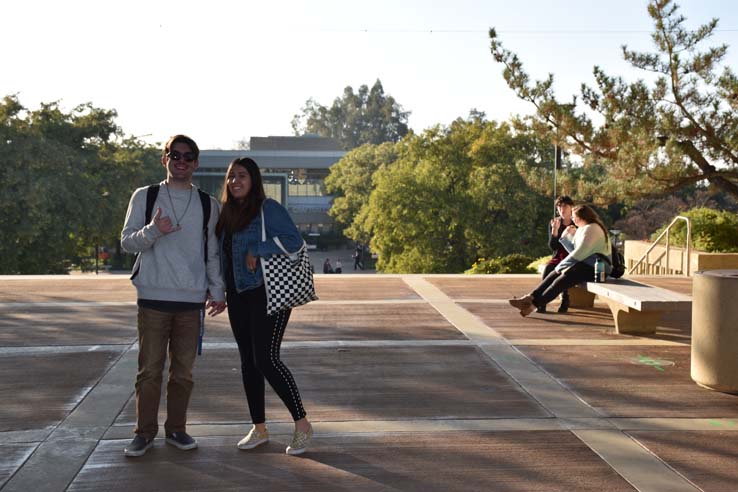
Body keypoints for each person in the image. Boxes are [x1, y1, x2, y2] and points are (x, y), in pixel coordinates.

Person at [120, 134, 226, 457]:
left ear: (195, 163)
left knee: (183, 373)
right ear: (164, 159)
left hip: (190, 302)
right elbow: (126, 242)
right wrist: (154, 230)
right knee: (149, 371)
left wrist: (217, 290)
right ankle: (144, 432)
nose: (181, 161)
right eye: (174, 155)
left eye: (187, 156)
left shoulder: (209, 205)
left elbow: (212, 253)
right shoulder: (145, 196)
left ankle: (176, 430)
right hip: (152, 298)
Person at [216, 157, 313, 455]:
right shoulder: (227, 214)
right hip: (237, 295)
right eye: (232, 177)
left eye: (242, 176)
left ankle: (302, 424)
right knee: (248, 362)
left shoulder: (267, 208)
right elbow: (221, 257)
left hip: (267, 293)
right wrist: (218, 290)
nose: (235, 182)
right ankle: (259, 428)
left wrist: (258, 249)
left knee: (266, 359)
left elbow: (293, 240)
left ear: (254, 180)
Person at [508, 205, 611, 317]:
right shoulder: (582, 229)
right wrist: (565, 236)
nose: (572, 218)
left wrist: (560, 266)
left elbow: (579, 254)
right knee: (554, 273)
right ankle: (529, 298)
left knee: (563, 277)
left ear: (581, 217)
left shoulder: (592, 229)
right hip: (586, 265)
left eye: (573, 216)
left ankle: (532, 305)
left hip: (598, 268)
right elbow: (575, 251)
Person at [538, 196, 575, 313]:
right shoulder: (555, 222)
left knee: (565, 272)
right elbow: (553, 247)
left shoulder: (577, 222)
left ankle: (565, 298)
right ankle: (542, 302)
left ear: (571, 207)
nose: (562, 209)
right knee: (548, 269)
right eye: (559, 206)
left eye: (565, 206)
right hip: (558, 256)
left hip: (573, 256)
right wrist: (554, 231)